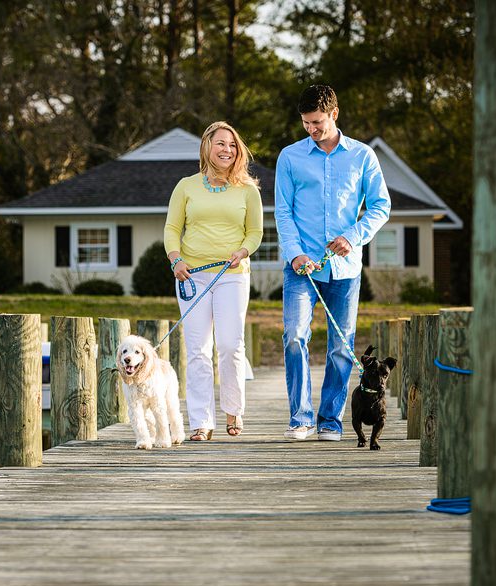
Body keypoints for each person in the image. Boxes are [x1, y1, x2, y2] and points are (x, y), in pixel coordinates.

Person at [275, 84, 391, 442]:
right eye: (307, 122)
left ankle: (330, 420)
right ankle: (300, 418)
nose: (312, 128)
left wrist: (353, 236)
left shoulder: (362, 156)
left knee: (342, 346)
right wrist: (295, 253)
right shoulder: (290, 157)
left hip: (345, 269)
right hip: (301, 268)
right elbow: (282, 211)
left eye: (318, 122)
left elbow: (380, 206)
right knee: (294, 336)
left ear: (334, 114)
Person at [165, 120, 263, 441]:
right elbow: (171, 229)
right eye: (221, 143)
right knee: (197, 349)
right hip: (192, 275)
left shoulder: (248, 190)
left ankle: (234, 414)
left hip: (232, 275)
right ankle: (201, 422)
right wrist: (176, 259)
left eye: (232, 145)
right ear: (207, 146)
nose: (227, 150)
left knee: (231, 346)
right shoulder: (186, 186)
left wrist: (244, 250)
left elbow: (256, 232)